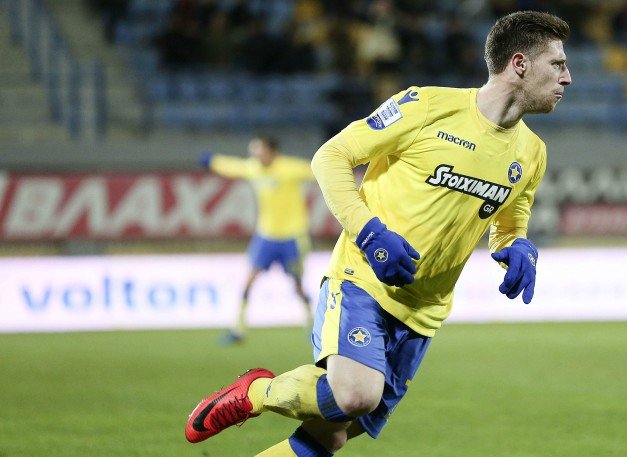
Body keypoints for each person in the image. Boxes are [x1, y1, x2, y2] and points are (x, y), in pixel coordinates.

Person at [185, 10, 572, 455]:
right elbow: (330, 157)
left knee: (331, 434)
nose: (567, 78)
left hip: (424, 310)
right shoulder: (426, 106)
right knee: (355, 395)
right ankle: (256, 392)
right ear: (520, 64)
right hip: (364, 280)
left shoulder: (532, 152)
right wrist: (369, 233)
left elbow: (509, 221)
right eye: (558, 64)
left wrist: (518, 245)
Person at [199, 135, 315, 344]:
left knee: (298, 285)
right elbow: (233, 166)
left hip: (292, 237)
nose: (254, 154)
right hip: (266, 236)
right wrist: (213, 161)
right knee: (249, 281)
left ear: (271, 151)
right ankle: (239, 330)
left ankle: (312, 325)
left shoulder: (290, 168)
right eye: (253, 150)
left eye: (258, 149)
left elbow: (317, 169)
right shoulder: (254, 168)